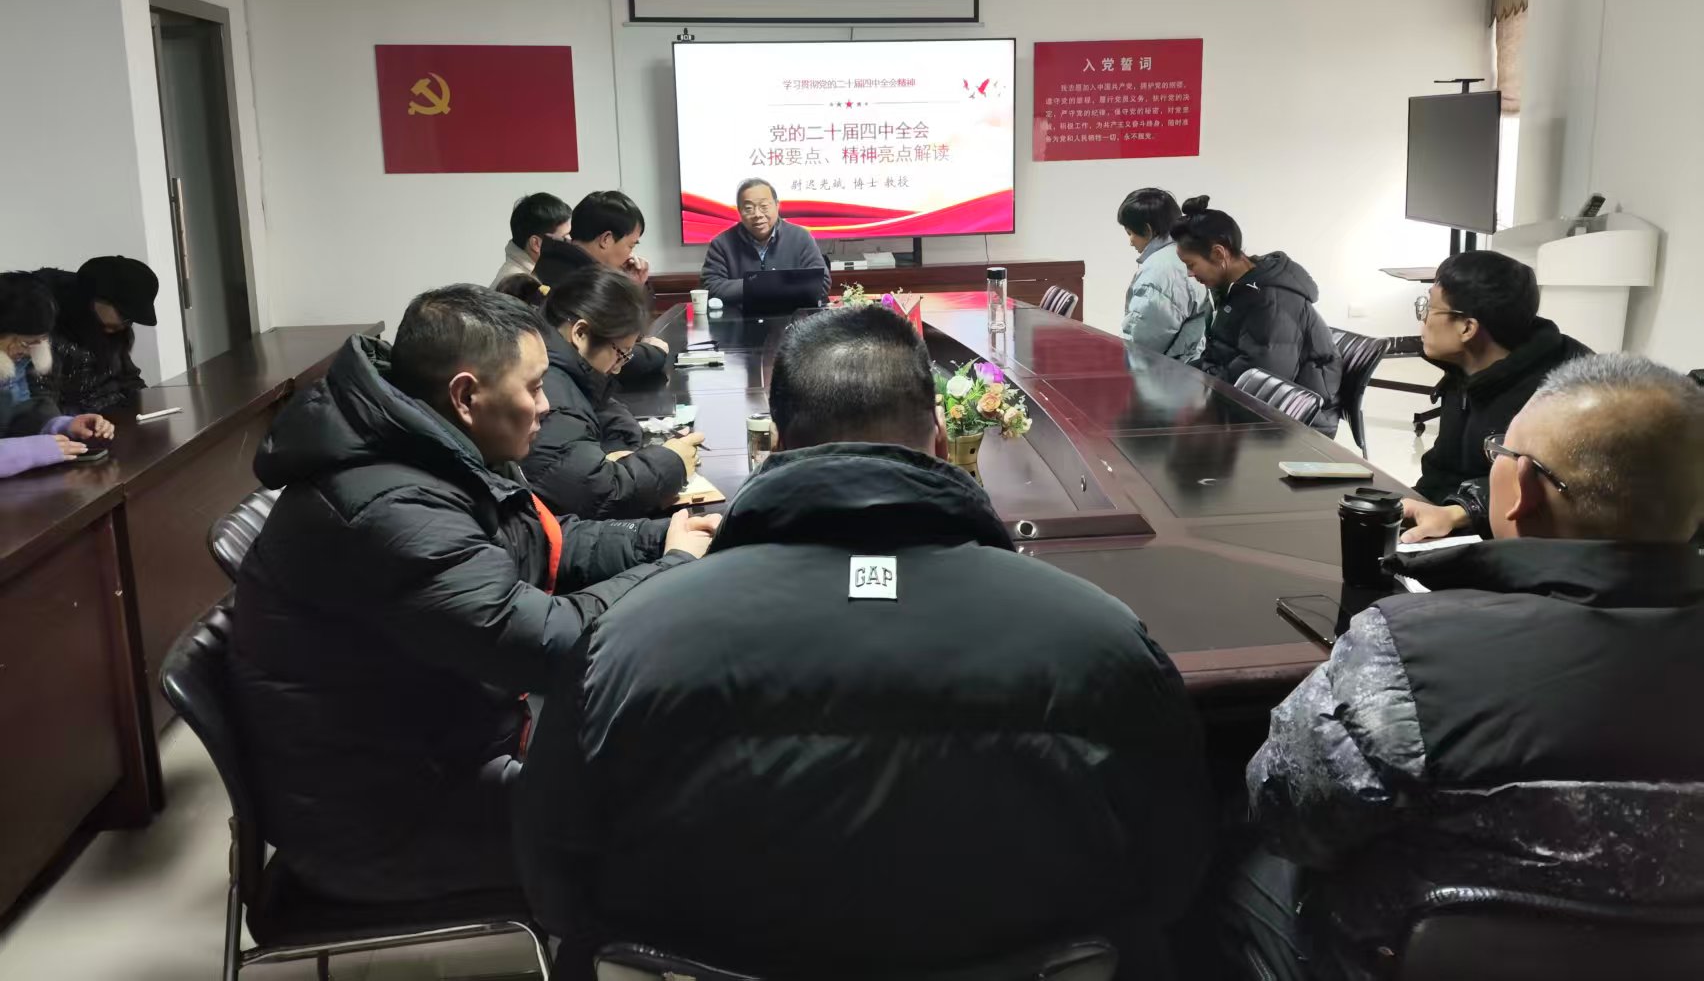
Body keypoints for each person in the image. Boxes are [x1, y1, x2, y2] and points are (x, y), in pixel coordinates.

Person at [516, 304, 1214, 980]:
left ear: (776, 445)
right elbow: (1173, 872)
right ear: (939, 439)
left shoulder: (624, 643)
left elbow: (556, 887)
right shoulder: (1100, 637)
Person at [230, 284, 718, 904]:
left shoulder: (427, 448)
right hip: (387, 822)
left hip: (438, 745)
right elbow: (544, 647)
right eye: (533, 387)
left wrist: (661, 540)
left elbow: (540, 542)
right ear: (466, 396)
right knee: (690, 804)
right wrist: (673, 568)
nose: (546, 405)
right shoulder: (389, 507)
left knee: (674, 742)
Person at [1231, 354, 1704, 981]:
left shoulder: (1405, 651)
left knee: (1241, 863)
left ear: (1523, 489)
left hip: (1389, 953)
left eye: (1499, 452)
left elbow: (1288, 815)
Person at [1401, 250, 1590, 542]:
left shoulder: (1565, 392)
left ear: (1467, 328)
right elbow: (1442, 469)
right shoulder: (1464, 370)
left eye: (1429, 308)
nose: (1422, 320)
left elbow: (1559, 484)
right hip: (1462, 526)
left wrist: (1459, 512)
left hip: (1522, 544)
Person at [521, 266, 702, 520]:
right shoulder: (551, 392)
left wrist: (614, 453)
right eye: (621, 353)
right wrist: (673, 462)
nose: (618, 368)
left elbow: (606, 414)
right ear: (581, 333)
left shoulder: (569, 371)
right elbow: (598, 494)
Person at [1173, 196, 1341, 433]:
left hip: (1297, 417)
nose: (1189, 274)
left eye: (1191, 264)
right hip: (1253, 400)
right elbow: (1223, 356)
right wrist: (1182, 374)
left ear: (1219, 254)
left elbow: (1264, 378)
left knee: (1171, 432)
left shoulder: (1272, 300)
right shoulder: (1236, 287)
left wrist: (1202, 387)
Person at [532, 191, 670, 383]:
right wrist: (653, 352)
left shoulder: (557, 264)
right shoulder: (576, 281)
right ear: (606, 239)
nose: (631, 256)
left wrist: (629, 286)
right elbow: (608, 357)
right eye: (631, 246)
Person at [0, 271, 114, 477]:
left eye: (38, 342)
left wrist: (61, 426)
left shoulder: (13, 361)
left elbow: (17, 415)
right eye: (25, 343)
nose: (28, 352)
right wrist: (28, 451)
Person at [33, 256, 159, 414]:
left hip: (118, 416)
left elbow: (129, 380)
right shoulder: (46, 333)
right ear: (96, 299)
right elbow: (45, 405)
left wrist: (150, 408)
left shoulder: (113, 332)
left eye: (130, 320)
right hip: (80, 424)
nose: (125, 325)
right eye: (124, 315)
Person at [699, 176, 829, 307]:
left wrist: (776, 287)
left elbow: (821, 282)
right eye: (748, 208)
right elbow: (710, 287)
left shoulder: (800, 237)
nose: (757, 214)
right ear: (739, 211)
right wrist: (759, 285)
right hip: (740, 317)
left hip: (791, 316)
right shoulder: (722, 244)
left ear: (777, 205)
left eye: (764, 206)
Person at [1117, 188, 1209, 361]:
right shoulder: (1185, 255)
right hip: (1191, 366)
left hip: (1167, 373)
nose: (1130, 242)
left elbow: (1141, 345)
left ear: (1148, 229)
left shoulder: (1159, 272)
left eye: (1130, 233)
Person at [491, 191, 572, 287]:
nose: (571, 242)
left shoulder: (539, 275)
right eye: (564, 238)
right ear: (536, 244)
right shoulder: (518, 288)